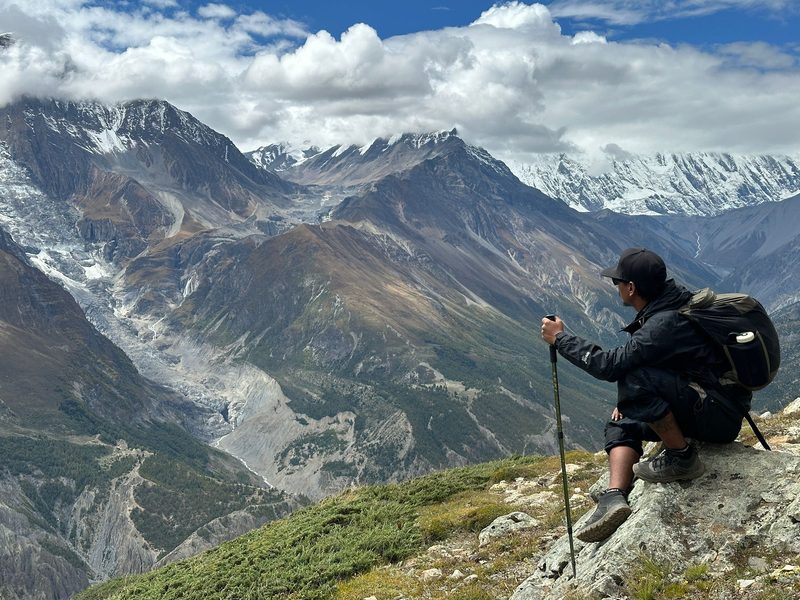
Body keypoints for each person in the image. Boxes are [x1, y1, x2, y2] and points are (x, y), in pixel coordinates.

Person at [540, 248, 751, 543]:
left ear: (631, 288)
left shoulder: (664, 323)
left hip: (717, 415)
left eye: (618, 282)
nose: (616, 287)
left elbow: (611, 366)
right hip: (708, 404)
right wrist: (631, 401)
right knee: (621, 419)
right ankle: (615, 497)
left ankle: (682, 458)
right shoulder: (669, 304)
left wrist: (561, 339)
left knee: (633, 377)